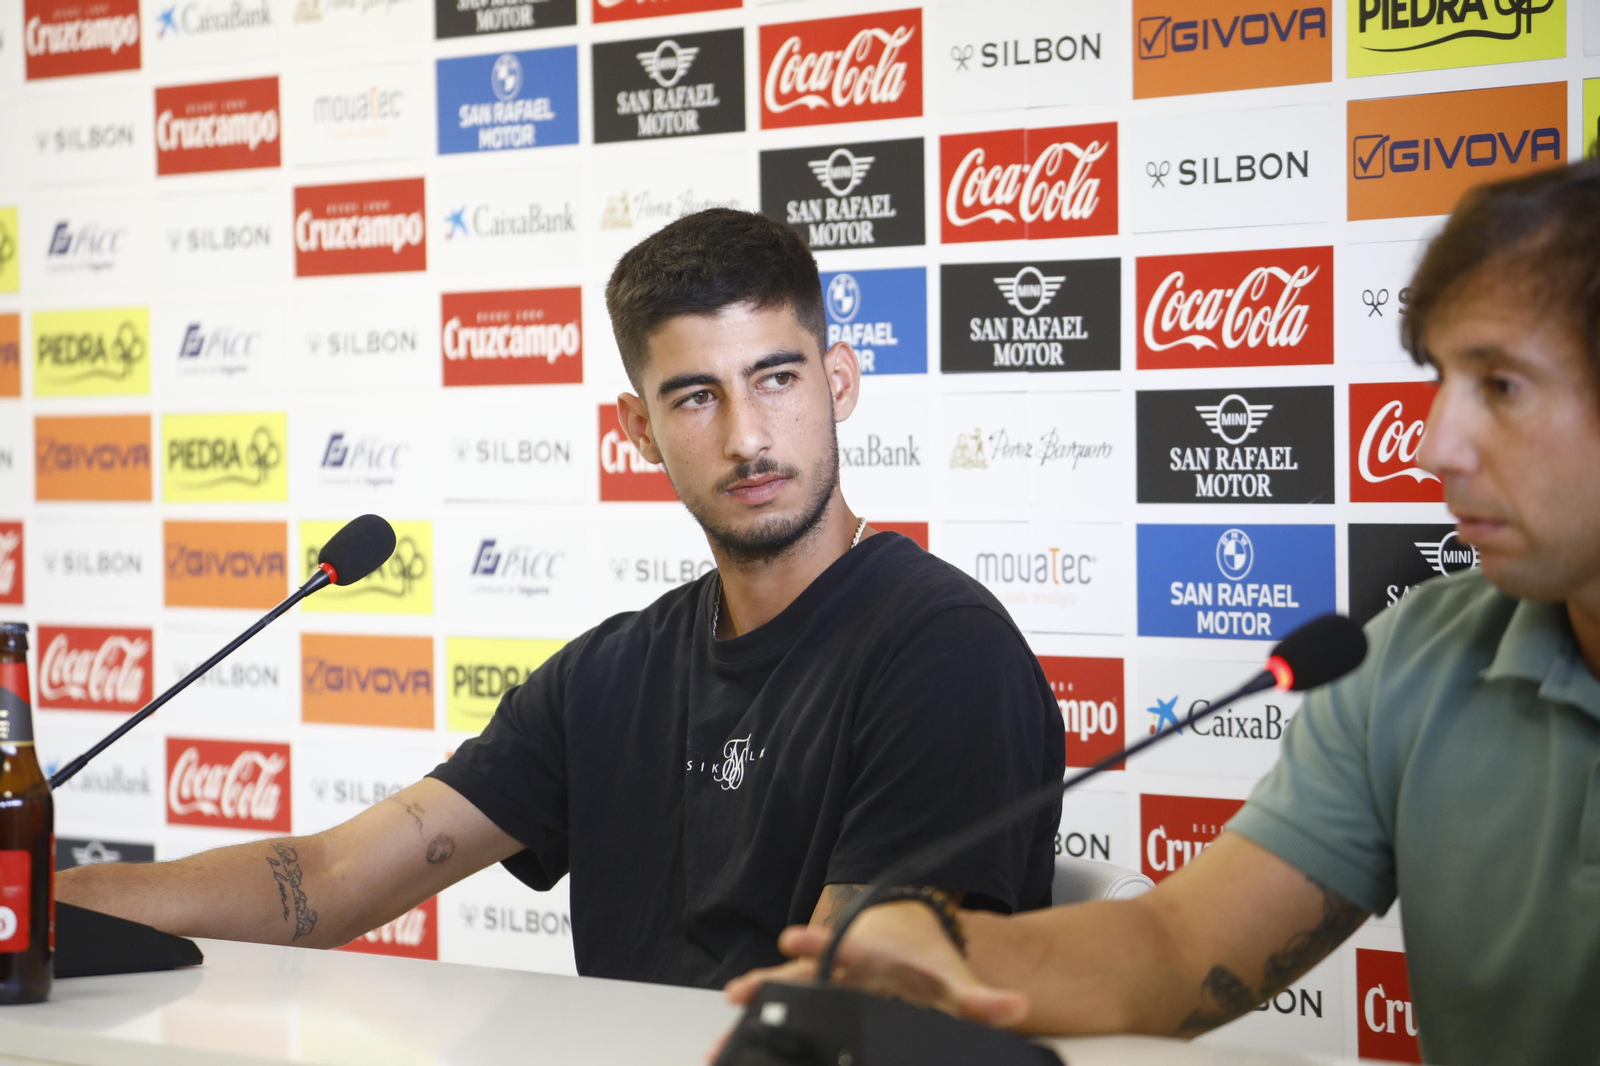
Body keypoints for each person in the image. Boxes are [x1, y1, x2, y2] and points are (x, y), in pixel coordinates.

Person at [727, 162, 1600, 1063]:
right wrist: (940, 950)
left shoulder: (938, 635)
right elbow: (1181, 948)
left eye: (1502, 386)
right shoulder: (1417, 654)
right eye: (1442, 380)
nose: (1435, 445)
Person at [59, 209, 1064, 989]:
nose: (748, 437)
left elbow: (860, 998)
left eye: (776, 379)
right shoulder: (610, 673)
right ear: (638, 428)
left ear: (838, 381)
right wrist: (39, 902)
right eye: (697, 396)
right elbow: (328, 879)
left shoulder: (943, 650)